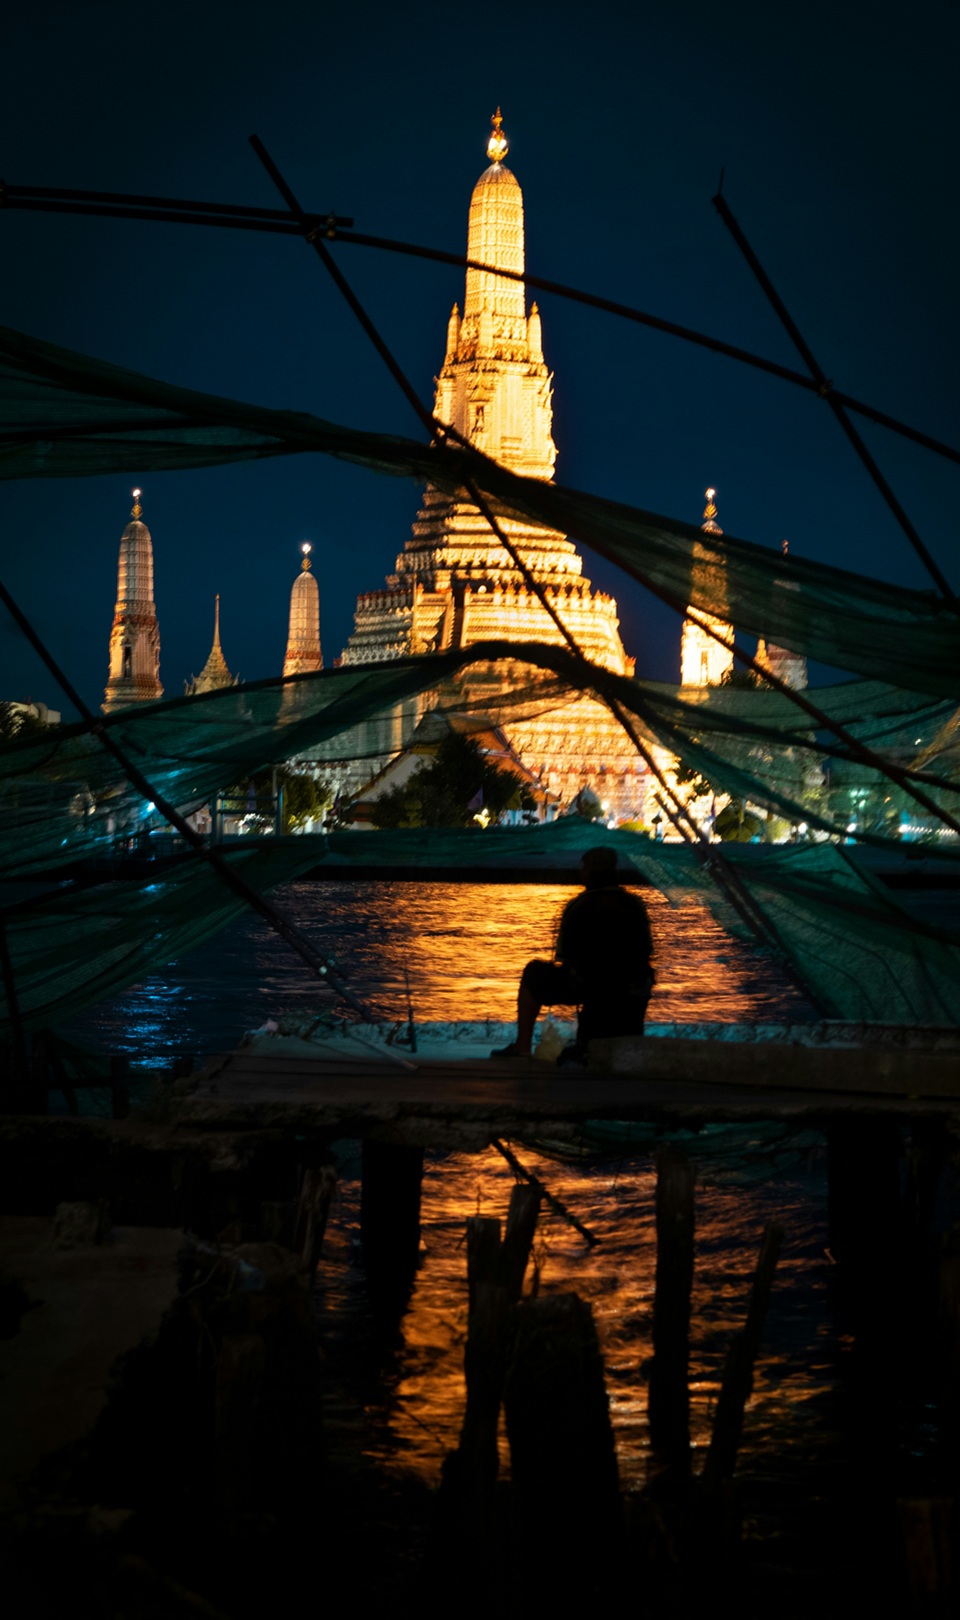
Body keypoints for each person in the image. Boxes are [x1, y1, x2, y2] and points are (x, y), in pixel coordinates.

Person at [491, 846, 654, 1059]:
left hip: (592, 985)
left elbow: (565, 958)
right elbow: (646, 951)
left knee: (534, 971)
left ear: (588, 873)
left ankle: (523, 1046)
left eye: (584, 869)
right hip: (633, 988)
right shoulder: (635, 904)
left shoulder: (579, 906)